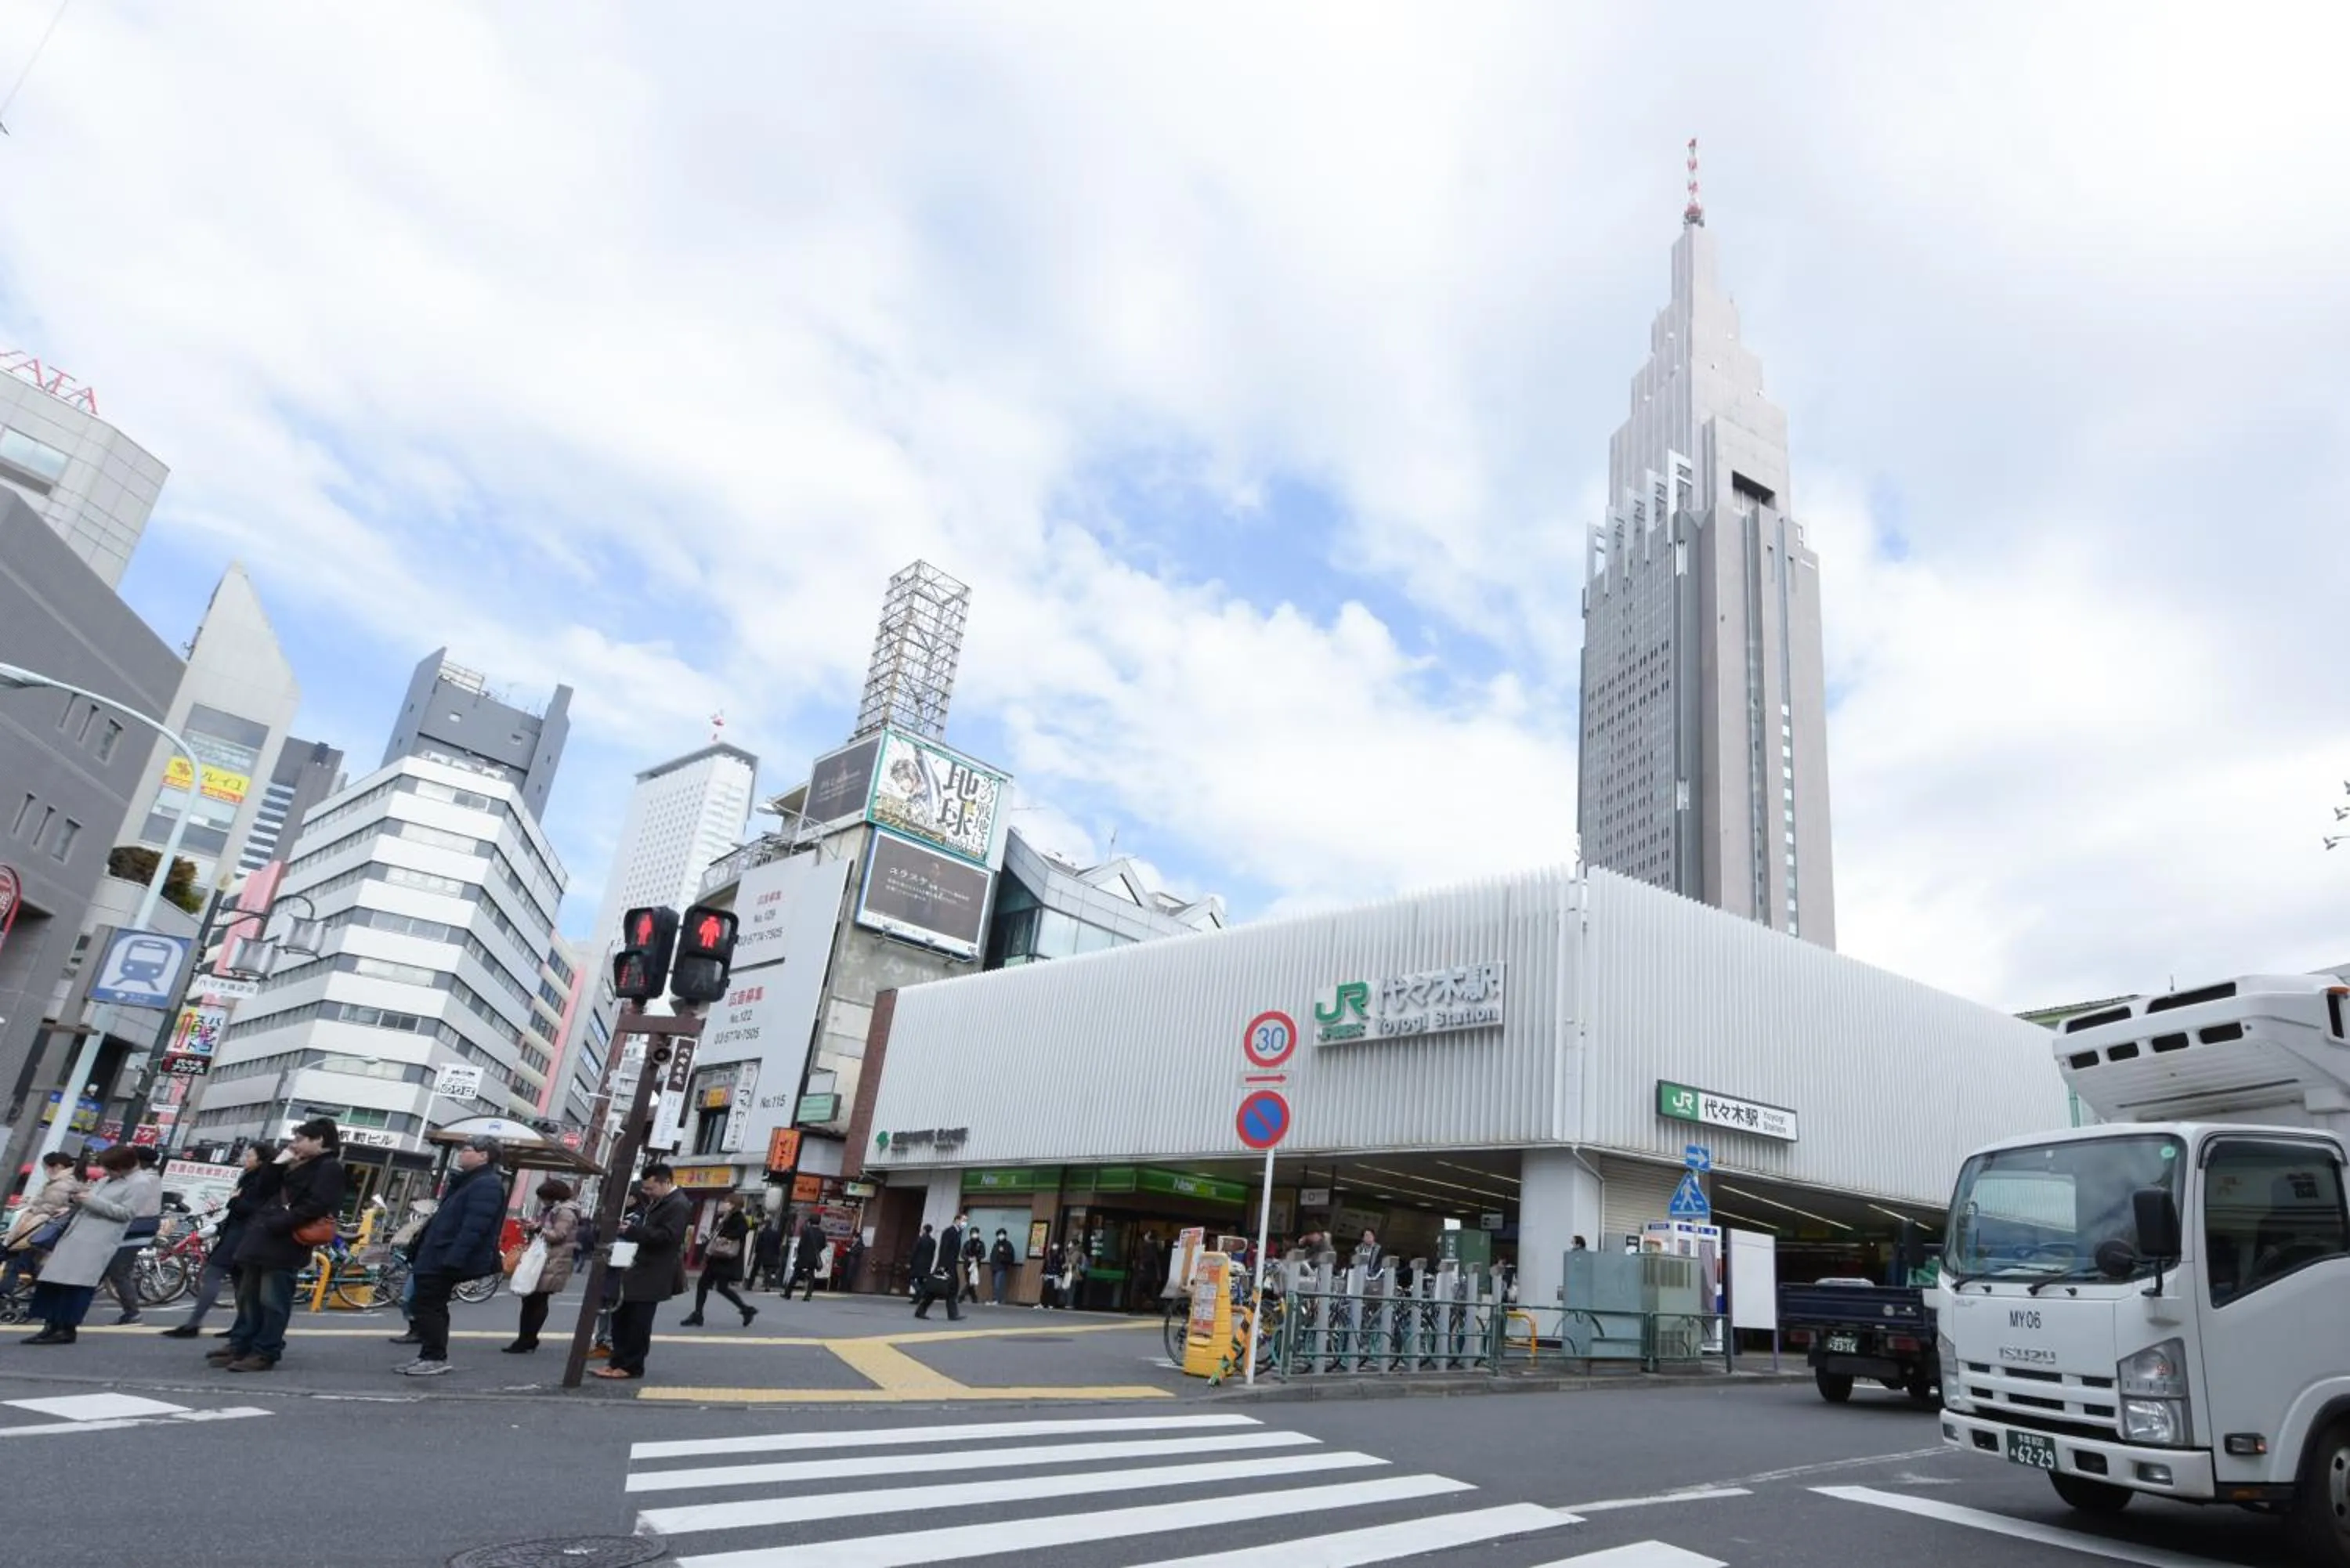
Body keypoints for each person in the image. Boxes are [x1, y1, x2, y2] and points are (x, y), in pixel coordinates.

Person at [212, 1118, 345, 1374]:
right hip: (265, 1237)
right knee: (249, 1297)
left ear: (319, 1140)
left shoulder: (328, 1168)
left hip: (285, 1239)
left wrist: (279, 1222)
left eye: (300, 1140)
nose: (294, 1145)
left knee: (272, 1301)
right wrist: (277, 1164)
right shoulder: (295, 1163)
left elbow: (317, 1205)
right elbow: (263, 1190)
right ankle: (242, 1344)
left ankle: (265, 1351)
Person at [398, 1134, 508, 1376]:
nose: (461, 1153)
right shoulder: (469, 1182)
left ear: (484, 1155)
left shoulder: (485, 1184)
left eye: (467, 1149)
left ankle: (434, 1357)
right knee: (428, 1304)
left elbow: (474, 1227)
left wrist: (455, 1258)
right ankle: (429, 1355)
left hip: (444, 1256)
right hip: (438, 1254)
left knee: (428, 1305)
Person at [19, 1145, 143, 1345]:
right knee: (53, 1282)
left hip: (96, 1241)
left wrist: (90, 1200)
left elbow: (126, 1214)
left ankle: (66, 1329)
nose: (105, 1172)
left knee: (75, 1286)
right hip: (75, 1235)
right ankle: (50, 1326)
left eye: (109, 1168)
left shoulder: (139, 1184)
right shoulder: (105, 1180)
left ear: (121, 1166)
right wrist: (77, 1199)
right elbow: (91, 1200)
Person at [163, 1144, 279, 1339]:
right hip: (239, 1234)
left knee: (214, 1275)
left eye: (249, 1155)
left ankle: (194, 1324)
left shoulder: (260, 1181)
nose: (245, 1158)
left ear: (260, 1160)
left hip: (240, 1236)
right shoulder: (253, 1177)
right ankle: (243, 1326)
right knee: (241, 1283)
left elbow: (250, 1209)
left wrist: (234, 1200)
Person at [596, 1163, 690, 1381]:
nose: (646, 1193)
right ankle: (616, 1362)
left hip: (652, 1272)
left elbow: (668, 1237)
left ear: (666, 1182)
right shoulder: (661, 1202)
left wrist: (632, 1231)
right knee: (622, 1316)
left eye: (650, 1189)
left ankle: (631, 1366)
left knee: (638, 1322)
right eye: (645, 1189)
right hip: (638, 1268)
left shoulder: (678, 1204)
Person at [502, 1177, 581, 1354]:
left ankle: (527, 1340)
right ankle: (527, 1339)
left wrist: (537, 1228)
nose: (541, 1200)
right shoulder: (555, 1210)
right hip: (548, 1258)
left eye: (544, 1197)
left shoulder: (564, 1212)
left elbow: (558, 1235)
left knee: (536, 1300)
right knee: (532, 1299)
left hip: (551, 1259)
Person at [1, 1151, 83, 1298]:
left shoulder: (61, 1184)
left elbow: (51, 1207)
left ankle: (6, 1295)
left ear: (57, 1166)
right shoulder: (62, 1182)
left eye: (46, 1167)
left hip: (38, 1227)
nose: (45, 1171)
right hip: (39, 1228)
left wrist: (32, 1208)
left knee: (17, 1261)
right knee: (23, 1261)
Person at [99, 1143, 164, 1324]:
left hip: (135, 1230)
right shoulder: (150, 1177)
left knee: (119, 1272)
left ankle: (132, 1313)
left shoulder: (143, 1180)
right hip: (137, 1228)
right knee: (109, 1270)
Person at [681, 1193, 757, 1328]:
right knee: (710, 1286)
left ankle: (745, 1309)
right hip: (719, 1258)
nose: (724, 1204)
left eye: (727, 1202)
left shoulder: (738, 1218)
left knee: (714, 1286)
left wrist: (726, 1238)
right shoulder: (727, 1217)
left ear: (733, 1204)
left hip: (726, 1258)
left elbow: (743, 1230)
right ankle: (699, 1314)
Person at [785, 1211, 826, 1302]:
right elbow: (823, 1245)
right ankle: (808, 1295)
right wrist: (817, 1251)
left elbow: (801, 1244)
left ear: (810, 1221)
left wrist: (799, 1253)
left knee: (796, 1274)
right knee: (811, 1276)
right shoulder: (821, 1233)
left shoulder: (806, 1231)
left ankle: (788, 1293)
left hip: (803, 1256)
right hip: (814, 1257)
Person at [906, 1223, 937, 1306]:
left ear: (924, 1230)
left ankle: (919, 1291)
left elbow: (915, 1252)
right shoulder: (933, 1241)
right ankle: (917, 1298)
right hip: (926, 1264)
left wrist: (910, 1262)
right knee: (921, 1281)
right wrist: (930, 1264)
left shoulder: (920, 1240)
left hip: (917, 1263)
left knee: (911, 1278)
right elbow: (932, 1254)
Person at [750, 1212, 783, 1291]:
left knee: (755, 1269)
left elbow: (758, 1244)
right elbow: (777, 1245)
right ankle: (767, 1285)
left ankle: (750, 1284)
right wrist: (777, 1254)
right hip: (771, 1255)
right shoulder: (775, 1234)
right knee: (768, 1271)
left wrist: (756, 1252)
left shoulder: (762, 1234)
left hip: (761, 1254)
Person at [988, 1227, 1017, 1306]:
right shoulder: (996, 1245)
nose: (1001, 1236)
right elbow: (992, 1256)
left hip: (1002, 1267)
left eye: (1002, 1234)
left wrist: (1003, 1252)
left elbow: (1011, 1257)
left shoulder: (1008, 1245)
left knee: (999, 1283)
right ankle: (995, 1299)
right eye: (999, 1235)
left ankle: (998, 1300)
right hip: (994, 1267)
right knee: (995, 1284)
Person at [958, 1227, 985, 1304]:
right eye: (973, 1233)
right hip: (967, 1264)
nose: (975, 1235)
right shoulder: (967, 1243)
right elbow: (962, 1254)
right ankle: (974, 1298)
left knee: (971, 1281)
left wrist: (976, 1258)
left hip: (976, 1265)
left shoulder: (981, 1244)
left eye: (976, 1233)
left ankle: (961, 1296)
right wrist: (968, 1258)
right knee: (969, 1281)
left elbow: (983, 1254)